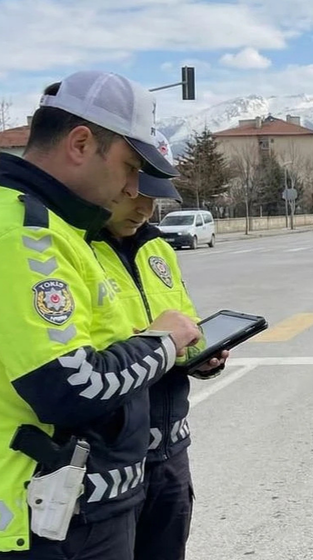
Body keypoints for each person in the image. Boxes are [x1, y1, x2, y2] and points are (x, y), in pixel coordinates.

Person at [0, 70, 201, 558]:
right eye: (130, 167)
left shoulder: (57, 228)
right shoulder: (26, 234)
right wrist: (164, 343)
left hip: (80, 508)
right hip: (46, 518)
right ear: (82, 143)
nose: (134, 188)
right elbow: (69, 387)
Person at [90, 137, 224, 560]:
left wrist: (202, 356)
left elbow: (185, 323)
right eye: (136, 193)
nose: (145, 208)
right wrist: (153, 342)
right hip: (110, 462)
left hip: (170, 450)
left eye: (155, 197)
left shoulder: (158, 248)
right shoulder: (74, 250)